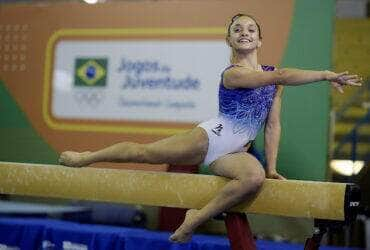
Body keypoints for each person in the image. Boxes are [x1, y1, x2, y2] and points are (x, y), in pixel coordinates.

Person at [59, 14, 362, 243]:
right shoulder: (232, 74)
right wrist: (325, 74)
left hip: (234, 152)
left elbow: (272, 124)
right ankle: (87, 157)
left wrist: (270, 167)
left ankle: (196, 217)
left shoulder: (275, 83)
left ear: (259, 41)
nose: (244, 33)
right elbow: (280, 74)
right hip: (210, 137)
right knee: (145, 152)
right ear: (230, 41)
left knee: (254, 177)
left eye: (251, 30)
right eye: (237, 30)